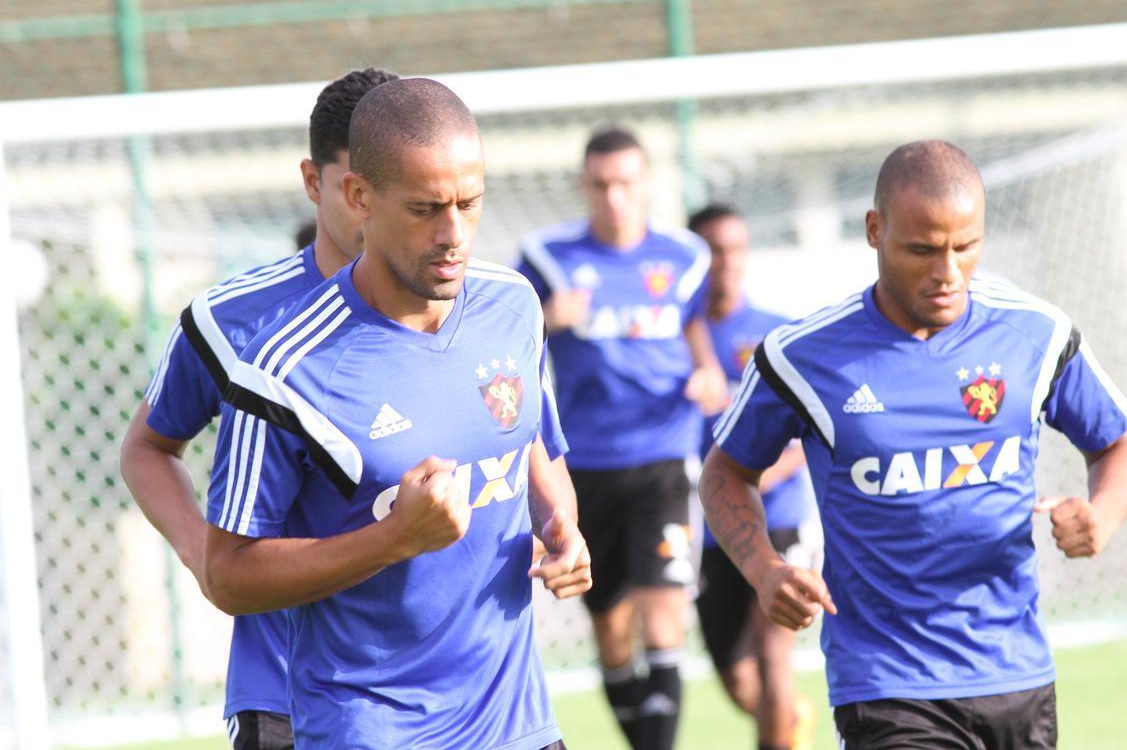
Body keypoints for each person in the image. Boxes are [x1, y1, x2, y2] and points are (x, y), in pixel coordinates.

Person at [700, 140, 1127, 750]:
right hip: (886, 682)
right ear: (875, 230)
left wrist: (1103, 515)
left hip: (1015, 672)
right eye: (923, 250)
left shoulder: (1035, 334)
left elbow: (1117, 445)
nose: (948, 273)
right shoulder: (801, 356)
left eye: (966, 247)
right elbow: (726, 470)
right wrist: (763, 567)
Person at [203, 77, 590, 749]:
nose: (454, 234)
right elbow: (229, 575)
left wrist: (565, 532)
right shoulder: (284, 367)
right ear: (360, 197)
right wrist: (393, 540)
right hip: (370, 728)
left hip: (518, 725)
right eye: (425, 209)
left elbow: (531, 449)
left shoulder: (514, 307)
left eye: (470, 204)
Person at [120, 67, 401, 749]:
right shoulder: (233, 321)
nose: (378, 212)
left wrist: (555, 518)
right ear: (315, 182)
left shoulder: (473, 307)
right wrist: (200, 552)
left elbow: (530, 441)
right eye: (354, 191)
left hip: (451, 689)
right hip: (287, 694)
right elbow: (146, 447)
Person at [517, 128, 726, 750]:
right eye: (601, 184)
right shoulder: (547, 257)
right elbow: (506, 340)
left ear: (645, 184)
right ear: (586, 186)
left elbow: (696, 333)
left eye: (626, 184)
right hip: (583, 466)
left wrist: (708, 372)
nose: (614, 197)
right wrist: (549, 318)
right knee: (610, 631)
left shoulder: (685, 256)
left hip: (664, 457)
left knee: (663, 617)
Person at [688, 203, 820, 750]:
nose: (728, 262)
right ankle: (794, 722)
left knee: (772, 660)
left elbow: (808, 434)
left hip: (782, 519)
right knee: (741, 682)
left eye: (737, 249)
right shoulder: (675, 337)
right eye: (715, 250)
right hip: (712, 529)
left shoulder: (775, 336)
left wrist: (762, 473)